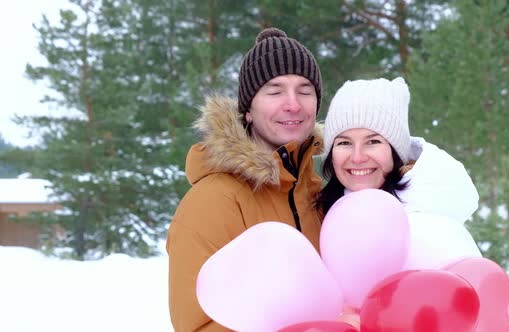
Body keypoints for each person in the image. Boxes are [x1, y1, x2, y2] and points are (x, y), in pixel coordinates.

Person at [167, 27, 324, 332]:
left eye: (305, 90)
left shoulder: (316, 191)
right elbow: (196, 326)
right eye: (275, 90)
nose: (293, 104)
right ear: (248, 110)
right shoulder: (213, 201)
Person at [317, 76, 482, 276]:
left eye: (373, 142)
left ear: (396, 152)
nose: (357, 157)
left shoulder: (427, 224)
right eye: (344, 143)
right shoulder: (324, 214)